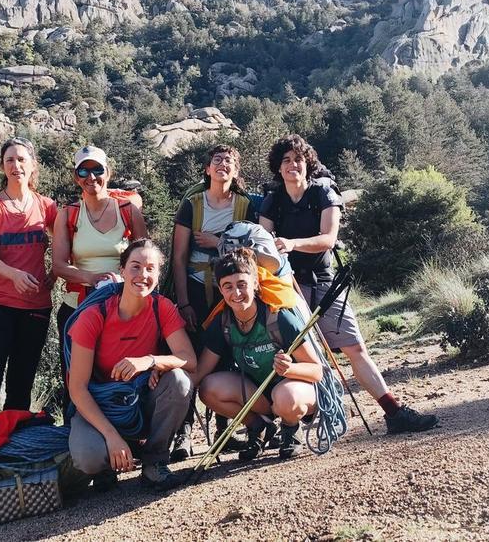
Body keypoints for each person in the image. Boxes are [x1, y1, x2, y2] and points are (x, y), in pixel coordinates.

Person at [259, 134, 438, 434]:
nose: (293, 165)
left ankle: (393, 412)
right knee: (296, 354)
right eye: (286, 161)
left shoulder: (323, 194)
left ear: (308, 164)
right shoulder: (272, 201)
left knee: (354, 348)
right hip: (287, 287)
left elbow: (328, 240)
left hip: (324, 283)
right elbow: (264, 243)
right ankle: (293, 425)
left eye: (298, 160)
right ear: (278, 168)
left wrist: (291, 243)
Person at [66, 239, 196, 491]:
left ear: (159, 274)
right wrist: (111, 436)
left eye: (150, 269)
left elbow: (188, 359)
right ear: (122, 270)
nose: (142, 275)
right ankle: (107, 462)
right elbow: (78, 389)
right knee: (88, 458)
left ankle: (154, 462)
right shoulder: (94, 316)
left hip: (139, 401)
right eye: (135, 267)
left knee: (179, 380)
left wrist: (151, 361)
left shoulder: (162, 308)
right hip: (100, 406)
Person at [169, 143, 260, 458]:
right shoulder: (192, 206)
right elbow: (178, 258)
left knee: (227, 358)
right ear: (207, 169)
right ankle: (182, 437)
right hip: (195, 290)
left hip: (231, 293)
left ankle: (225, 431)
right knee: (191, 359)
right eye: (217, 160)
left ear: (236, 172)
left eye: (230, 161)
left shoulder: (246, 206)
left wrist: (217, 242)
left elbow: (253, 249)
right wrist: (183, 303)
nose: (223, 164)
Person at [193, 249, 322, 460]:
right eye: (228, 286)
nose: (236, 293)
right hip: (259, 394)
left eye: (241, 284)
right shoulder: (223, 323)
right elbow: (200, 374)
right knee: (208, 389)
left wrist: (291, 368)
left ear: (255, 283)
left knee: (285, 398)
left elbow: (317, 371)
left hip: (295, 389)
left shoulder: (279, 317)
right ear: (221, 290)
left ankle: (290, 428)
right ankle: (258, 426)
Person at [0, 137, 58, 424]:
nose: (16, 165)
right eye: (10, 160)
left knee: (21, 384)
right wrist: (15, 275)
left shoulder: (47, 207)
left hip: (36, 307)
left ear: (33, 166)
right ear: (1, 167)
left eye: (22, 159)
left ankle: (13, 448)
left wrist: (53, 275)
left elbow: (64, 247)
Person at [51, 145, 147, 385]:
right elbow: (59, 266)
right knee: (76, 377)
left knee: (118, 374)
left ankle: (121, 420)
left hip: (122, 306)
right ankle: (75, 422)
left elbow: (147, 259)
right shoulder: (69, 214)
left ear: (109, 172)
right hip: (78, 305)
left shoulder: (128, 210)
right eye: (83, 172)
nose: (91, 177)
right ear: (76, 177)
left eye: (97, 169)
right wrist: (91, 278)